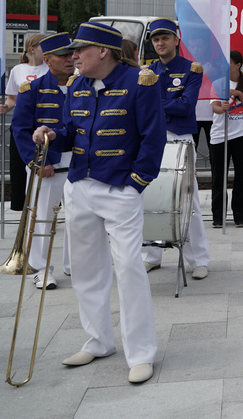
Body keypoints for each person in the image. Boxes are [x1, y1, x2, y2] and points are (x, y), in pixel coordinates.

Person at [31, 21, 165, 385]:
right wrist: (50, 134)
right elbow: (70, 131)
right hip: (79, 186)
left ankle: (140, 353)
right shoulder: (77, 86)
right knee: (87, 269)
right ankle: (99, 340)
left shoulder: (140, 83)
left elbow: (154, 138)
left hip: (120, 189)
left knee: (129, 269)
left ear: (102, 51)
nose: (72, 56)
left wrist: (135, 184)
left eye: (79, 50)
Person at [140, 18, 210, 280]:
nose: (160, 43)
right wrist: (168, 101)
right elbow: (158, 106)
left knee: (188, 202)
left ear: (176, 40)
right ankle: (151, 256)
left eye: (165, 38)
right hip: (152, 141)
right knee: (150, 200)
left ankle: (198, 260)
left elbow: (185, 106)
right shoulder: (147, 71)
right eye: (156, 39)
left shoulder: (191, 69)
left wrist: (154, 103)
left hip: (179, 141)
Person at [11, 32, 76, 289]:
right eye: (63, 55)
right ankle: (40, 270)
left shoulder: (84, 86)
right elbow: (21, 129)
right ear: (47, 60)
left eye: (72, 53)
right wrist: (37, 161)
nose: (70, 59)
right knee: (41, 220)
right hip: (46, 166)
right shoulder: (33, 89)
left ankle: (75, 265)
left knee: (78, 218)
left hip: (79, 164)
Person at [0, 33, 47, 211]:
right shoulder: (18, 70)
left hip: (43, 124)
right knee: (20, 166)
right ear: (32, 49)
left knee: (45, 165)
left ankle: (46, 205)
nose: (47, 50)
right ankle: (22, 205)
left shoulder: (50, 69)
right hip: (22, 126)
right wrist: (6, 106)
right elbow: (13, 98)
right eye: (44, 46)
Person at [209, 50, 243, 228]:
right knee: (219, 178)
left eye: (228, 62)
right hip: (220, 136)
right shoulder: (217, 83)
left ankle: (240, 215)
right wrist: (222, 107)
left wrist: (239, 94)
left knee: (242, 177)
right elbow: (214, 107)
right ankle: (218, 216)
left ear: (238, 64)